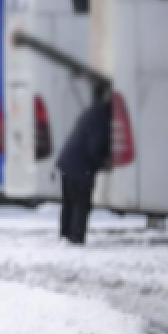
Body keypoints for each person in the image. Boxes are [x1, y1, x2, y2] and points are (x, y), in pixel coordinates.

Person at [56, 98, 112, 245]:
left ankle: (65, 235)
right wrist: (104, 162)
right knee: (81, 204)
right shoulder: (103, 120)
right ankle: (76, 238)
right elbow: (94, 148)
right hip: (81, 168)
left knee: (69, 203)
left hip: (67, 163)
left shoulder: (92, 113)